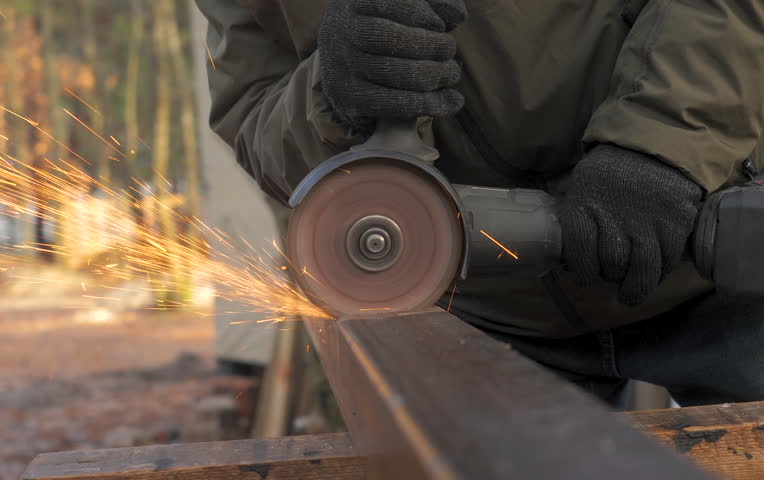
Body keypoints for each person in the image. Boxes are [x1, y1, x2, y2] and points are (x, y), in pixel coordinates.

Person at [194, 0, 764, 407]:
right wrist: (330, 94)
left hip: (711, 252)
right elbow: (250, 108)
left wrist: (661, 144)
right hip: (477, 312)